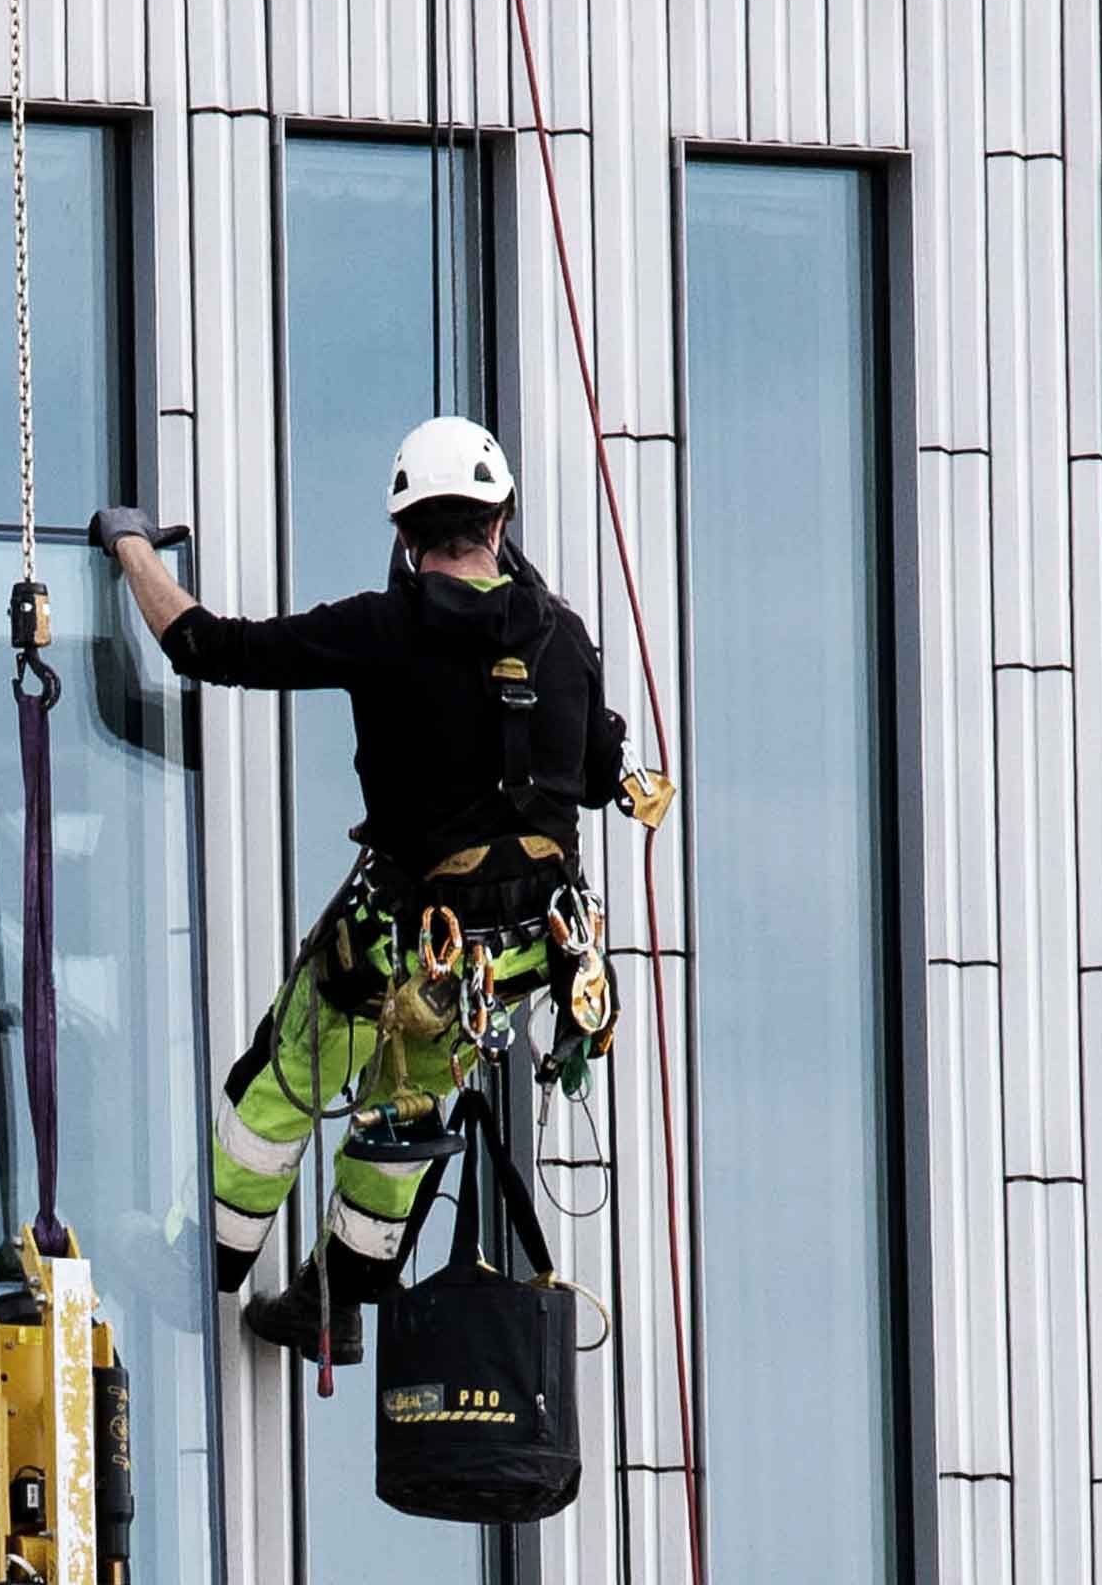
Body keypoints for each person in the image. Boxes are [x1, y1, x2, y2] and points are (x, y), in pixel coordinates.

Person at [89, 417, 668, 1355]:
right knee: (404, 1108)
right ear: (502, 518)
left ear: (405, 535)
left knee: (280, 1086)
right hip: (510, 962)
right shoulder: (564, 638)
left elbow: (205, 646)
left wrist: (130, 549)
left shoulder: (385, 628)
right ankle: (337, 1301)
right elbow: (605, 775)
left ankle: (201, 1268)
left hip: (399, 942)